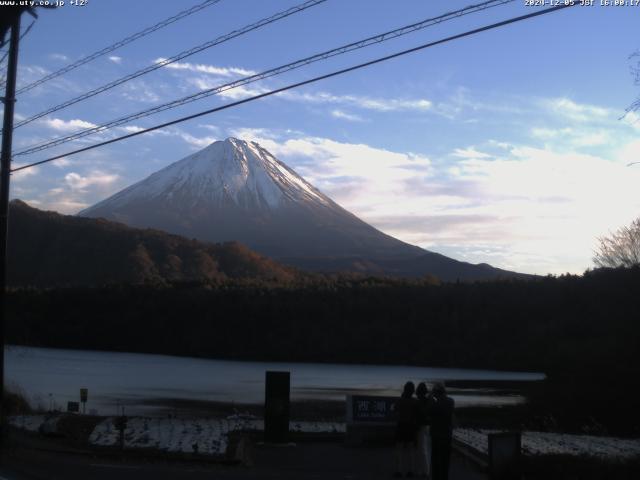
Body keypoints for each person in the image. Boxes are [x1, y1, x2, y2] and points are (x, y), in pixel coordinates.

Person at [430, 382, 455, 480]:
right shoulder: (450, 401)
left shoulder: (434, 404)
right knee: (445, 460)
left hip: (436, 434)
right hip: (447, 434)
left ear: (435, 392)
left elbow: (427, 412)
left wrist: (431, 396)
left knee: (435, 459)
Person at [394, 381, 419, 478]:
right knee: (410, 450)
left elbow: (395, 409)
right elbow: (417, 414)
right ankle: (411, 471)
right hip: (411, 427)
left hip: (401, 426)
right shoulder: (415, 401)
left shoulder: (400, 400)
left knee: (399, 449)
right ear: (413, 391)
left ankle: (399, 471)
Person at [415, 382, 434, 478]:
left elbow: (420, 413)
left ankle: (424, 471)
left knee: (422, 449)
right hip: (430, 427)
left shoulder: (419, 402)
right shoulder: (430, 400)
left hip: (422, 427)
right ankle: (425, 470)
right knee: (427, 449)